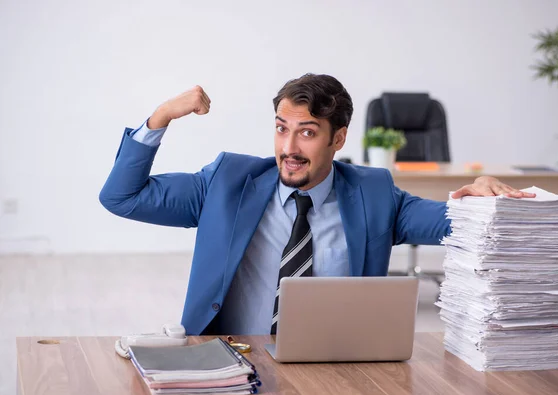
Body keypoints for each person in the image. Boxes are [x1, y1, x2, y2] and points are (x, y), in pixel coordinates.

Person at [99, 73, 534, 335]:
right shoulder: (227, 182)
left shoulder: (373, 193)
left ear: (338, 138)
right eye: (281, 128)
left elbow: (451, 221)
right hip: (234, 361)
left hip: (335, 366)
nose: (289, 147)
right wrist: (160, 117)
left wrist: (482, 198)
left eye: (306, 132)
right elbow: (122, 197)